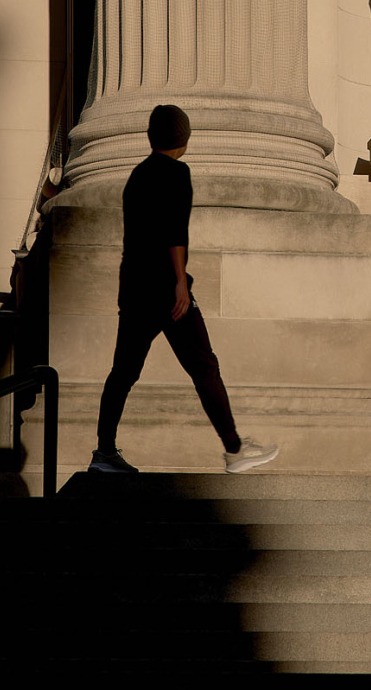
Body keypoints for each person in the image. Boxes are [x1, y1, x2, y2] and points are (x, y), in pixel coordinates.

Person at [88, 103, 279, 474]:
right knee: (204, 366)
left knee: (123, 372)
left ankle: (104, 452)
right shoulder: (177, 172)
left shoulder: (137, 175)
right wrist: (180, 283)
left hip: (133, 289)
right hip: (165, 290)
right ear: (183, 138)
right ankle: (235, 450)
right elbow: (175, 232)